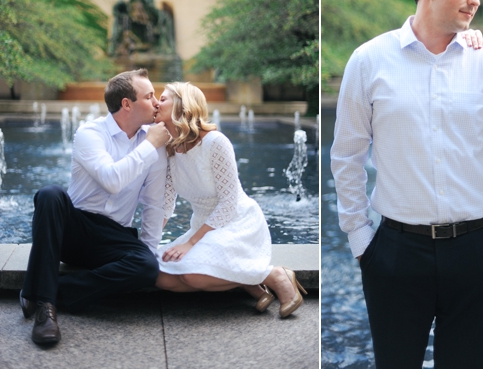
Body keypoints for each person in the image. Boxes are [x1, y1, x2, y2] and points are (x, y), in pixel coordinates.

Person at [330, 0, 483, 368]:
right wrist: (361, 240)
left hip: (480, 252)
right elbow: (347, 156)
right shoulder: (368, 61)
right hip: (395, 254)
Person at [20, 68, 171, 344]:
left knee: (147, 266)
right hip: (75, 230)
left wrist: (146, 256)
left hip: (114, 237)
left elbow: (154, 204)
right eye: (149, 96)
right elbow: (111, 180)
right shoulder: (90, 133)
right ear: (127, 104)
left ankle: (48, 291)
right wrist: (149, 146)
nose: (157, 103)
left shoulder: (154, 143)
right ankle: (45, 310)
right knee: (50, 194)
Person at [153, 82, 306, 318]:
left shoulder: (215, 142)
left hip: (235, 223)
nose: (156, 103)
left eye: (163, 99)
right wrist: (149, 240)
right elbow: (166, 203)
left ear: (182, 105)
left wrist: (190, 243)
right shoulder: (170, 149)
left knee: (192, 274)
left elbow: (228, 203)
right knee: (161, 278)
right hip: (203, 227)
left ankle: (274, 275)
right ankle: (248, 282)